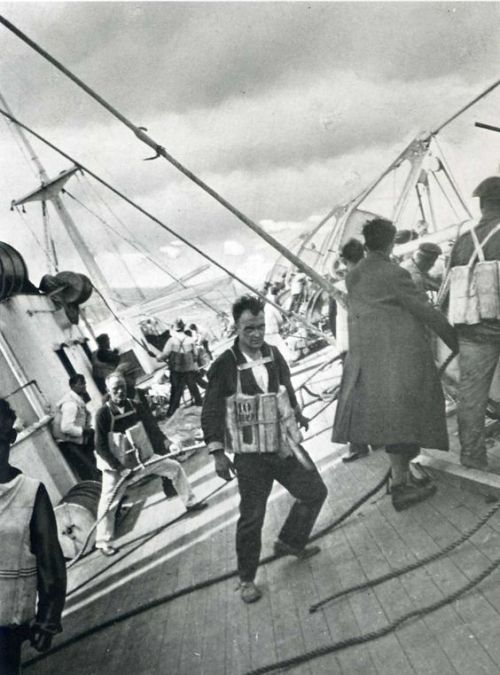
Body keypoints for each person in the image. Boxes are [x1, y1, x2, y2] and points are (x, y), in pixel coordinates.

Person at [201, 295, 327, 604]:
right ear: (236, 327)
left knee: (315, 491)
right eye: (249, 329)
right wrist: (218, 452)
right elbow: (211, 410)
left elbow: (285, 386)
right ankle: (246, 579)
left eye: (260, 327)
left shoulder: (273, 353)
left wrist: (296, 412)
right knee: (252, 517)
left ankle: (289, 541)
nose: (256, 334)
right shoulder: (224, 364)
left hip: (282, 445)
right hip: (250, 457)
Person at [332, 218, 458, 511]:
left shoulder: (354, 276)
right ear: (391, 244)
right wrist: (455, 340)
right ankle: (401, 486)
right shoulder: (395, 273)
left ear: (366, 244)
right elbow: (424, 310)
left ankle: (403, 479)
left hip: (368, 361)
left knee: (391, 421)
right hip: (399, 359)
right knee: (407, 418)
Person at [94, 373, 207, 556]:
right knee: (109, 502)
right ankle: (103, 541)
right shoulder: (103, 414)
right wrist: (119, 468)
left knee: (174, 468)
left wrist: (169, 444)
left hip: (141, 457)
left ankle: (191, 501)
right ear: (108, 391)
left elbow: (153, 430)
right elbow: (100, 447)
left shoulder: (135, 406)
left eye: (122, 387)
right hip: (115, 465)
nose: (120, 392)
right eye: (115, 389)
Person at [0, 399, 66, 674]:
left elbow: (50, 561)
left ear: (9, 437)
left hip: (5, 629)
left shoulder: (29, 493)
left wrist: (48, 619)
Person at [449, 176, 500, 471]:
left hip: (471, 330)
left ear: (482, 205)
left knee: (470, 398)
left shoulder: (463, 240)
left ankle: (471, 458)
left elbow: (448, 290)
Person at [331, 239, 374, 463]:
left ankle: (358, 445)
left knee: (354, 397)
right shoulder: (369, 278)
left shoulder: (341, 286)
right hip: (369, 344)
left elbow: (333, 323)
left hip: (351, 347)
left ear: (346, 260)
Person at [52, 374, 100, 482]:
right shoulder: (70, 404)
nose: (84, 386)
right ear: (73, 386)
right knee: (88, 470)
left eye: (84, 383)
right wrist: (84, 431)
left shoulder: (77, 400)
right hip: (68, 443)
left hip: (76, 440)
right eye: (81, 383)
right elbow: (66, 427)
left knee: (92, 466)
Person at [158, 319, 202, 417]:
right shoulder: (189, 339)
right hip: (189, 369)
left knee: (176, 391)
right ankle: (200, 405)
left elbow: (164, 355)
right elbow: (195, 355)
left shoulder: (171, 341)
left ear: (173, 329)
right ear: (183, 327)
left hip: (177, 371)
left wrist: (157, 357)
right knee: (194, 389)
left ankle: (172, 414)